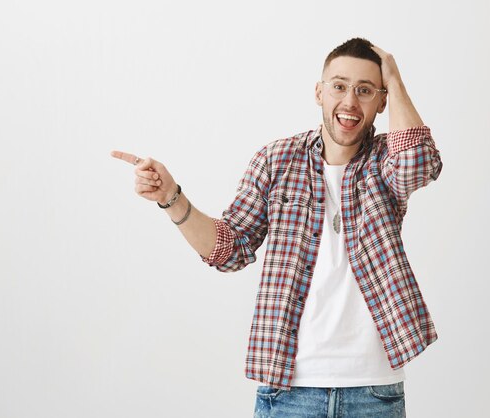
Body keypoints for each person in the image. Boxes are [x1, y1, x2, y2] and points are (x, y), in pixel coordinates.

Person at [112, 37, 442, 418]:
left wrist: (396, 80)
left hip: (373, 390)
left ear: (382, 102)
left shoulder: (387, 159)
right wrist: (172, 197)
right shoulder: (277, 160)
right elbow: (229, 249)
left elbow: (417, 165)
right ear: (319, 92)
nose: (350, 102)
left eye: (365, 91)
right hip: (288, 391)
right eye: (339, 86)